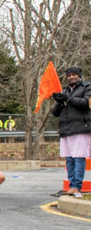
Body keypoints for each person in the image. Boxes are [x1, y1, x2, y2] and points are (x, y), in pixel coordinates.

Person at [51, 67, 91, 199]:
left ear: (80, 75)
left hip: (80, 127)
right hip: (65, 128)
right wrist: (58, 102)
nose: (72, 77)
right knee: (69, 158)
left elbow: (86, 103)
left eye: (74, 75)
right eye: (69, 75)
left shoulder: (87, 87)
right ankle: (71, 184)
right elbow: (55, 113)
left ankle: (77, 186)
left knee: (78, 157)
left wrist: (68, 98)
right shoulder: (66, 90)